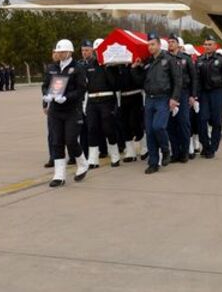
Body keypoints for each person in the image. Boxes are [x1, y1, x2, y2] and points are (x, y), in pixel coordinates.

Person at [131, 33, 181, 174]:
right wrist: (135, 68)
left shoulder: (169, 59)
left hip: (163, 98)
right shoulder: (147, 62)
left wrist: (174, 98)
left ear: (159, 44)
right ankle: (153, 163)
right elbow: (140, 81)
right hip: (149, 99)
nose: (150, 47)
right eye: (149, 44)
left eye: (153, 44)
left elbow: (178, 80)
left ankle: (165, 150)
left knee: (158, 127)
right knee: (150, 132)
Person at [42, 39, 90, 187]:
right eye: (58, 52)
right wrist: (47, 95)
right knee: (57, 142)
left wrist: (67, 97)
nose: (60, 54)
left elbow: (82, 89)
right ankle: (59, 175)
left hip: (72, 110)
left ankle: (82, 163)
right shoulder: (52, 68)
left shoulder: (77, 68)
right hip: (55, 110)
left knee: (70, 140)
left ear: (69, 52)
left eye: (63, 52)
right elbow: (45, 85)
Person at [82, 38, 122, 168]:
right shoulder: (88, 65)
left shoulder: (111, 65)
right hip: (92, 100)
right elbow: (85, 86)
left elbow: (115, 85)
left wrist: (106, 68)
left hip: (107, 100)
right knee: (92, 129)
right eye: (97, 50)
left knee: (108, 128)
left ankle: (115, 156)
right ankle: (93, 159)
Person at [196, 36, 222, 159]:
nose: (207, 46)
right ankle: (206, 146)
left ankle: (213, 147)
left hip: (218, 93)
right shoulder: (200, 60)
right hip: (204, 94)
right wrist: (194, 95)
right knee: (202, 120)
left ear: (215, 46)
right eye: (205, 44)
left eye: (209, 44)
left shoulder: (221, 60)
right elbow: (196, 79)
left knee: (217, 122)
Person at [167, 34, 197, 163]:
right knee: (171, 124)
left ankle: (185, 152)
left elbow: (194, 78)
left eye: (173, 42)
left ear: (178, 44)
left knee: (183, 123)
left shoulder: (186, 59)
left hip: (183, 93)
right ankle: (175, 152)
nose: (170, 44)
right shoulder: (166, 59)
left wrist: (193, 95)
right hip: (170, 94)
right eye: (169, 42)